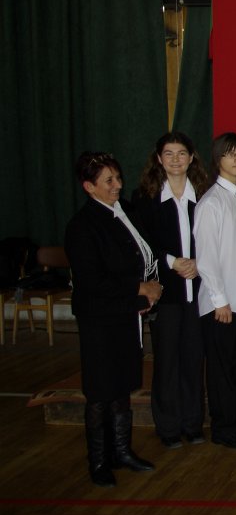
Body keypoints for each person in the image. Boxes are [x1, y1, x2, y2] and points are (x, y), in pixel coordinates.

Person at [65, 151, 161, 487]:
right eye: (108, 181)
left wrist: (145, 294)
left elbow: (143, 254)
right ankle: (99, 460)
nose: (117, 185)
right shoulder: (82, 226)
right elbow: (93, 281)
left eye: (118, 178)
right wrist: (139, 288)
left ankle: (122, 451)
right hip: (99, 319)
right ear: (89, 186)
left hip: (124, 313)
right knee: (100, 391)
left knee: (121, 386)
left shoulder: (125, 212)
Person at [130, 132, 208, 449]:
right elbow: (143, 242)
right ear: (159, 159)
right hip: (166, 291)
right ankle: (168, 426)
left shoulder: (203, 193)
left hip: (199, 289)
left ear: (191, 157)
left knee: (193, 359)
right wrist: (173, 261)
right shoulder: (144, 197)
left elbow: (215, 237)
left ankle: (193, 423)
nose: (176, 159)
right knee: (166, 361)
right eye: (169, 154)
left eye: (181, 153)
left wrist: (199, 262)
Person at [194, 133, 236, 450]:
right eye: (230, 154)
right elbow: (206, 259)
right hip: (223, 303)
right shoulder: (211, 203)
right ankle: (223, 427)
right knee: (222, 368)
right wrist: (220, 300)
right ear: (218, 159)